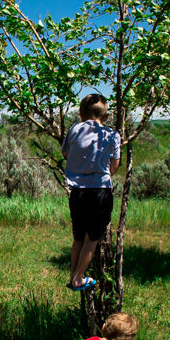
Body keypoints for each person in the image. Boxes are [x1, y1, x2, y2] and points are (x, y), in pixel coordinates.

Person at [62, 93, 121, 291]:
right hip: (99, 191)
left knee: (78, 236)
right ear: (105, 117)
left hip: (77, 191)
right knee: (92, 237)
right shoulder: (112, 135)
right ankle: (78, 277)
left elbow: (65, 153)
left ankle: (73, 275)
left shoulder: (74, 130)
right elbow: (114, 166)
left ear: (81, 114)